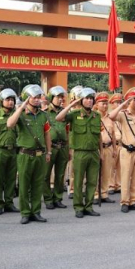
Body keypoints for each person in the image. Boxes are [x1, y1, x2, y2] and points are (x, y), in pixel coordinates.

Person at [6, 85, 52, 224]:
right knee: (24, 185)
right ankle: (25, 212)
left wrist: (48, 151)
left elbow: (47, 134)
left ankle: (36, 212)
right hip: (25, 155)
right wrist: (21, 107)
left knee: (38, 184)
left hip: (40, 155)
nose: (38, 100)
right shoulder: (21, 114)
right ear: (27, 98)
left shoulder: (43, 115)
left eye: (39, 97)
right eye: (34, 97)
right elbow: (9, 124)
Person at [56, 88, 102, 218]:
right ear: (81, 100)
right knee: (78, 181)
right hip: (80, 153)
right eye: (86, 98)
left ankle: (89, 206)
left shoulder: (96, 116)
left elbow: (98, 136)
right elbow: (59, 118)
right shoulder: (74, 114)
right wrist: (71, 104)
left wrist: (101, 152)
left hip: (94, 153)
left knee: (92, 181)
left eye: (91, 98)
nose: (89, 101)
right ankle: (78, 207)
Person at [108, 87, 135, 213]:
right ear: (128, 101)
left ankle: (134, 201)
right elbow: (112, 116)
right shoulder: (123, 114)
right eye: (134, 99)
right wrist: (123, 104)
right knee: (125, 177)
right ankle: (124, 202)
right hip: (127, 151)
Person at [44, 86, 70, 209]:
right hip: (51, 147)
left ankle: (58, 198)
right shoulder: (44, 113)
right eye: (58, 97)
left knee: (60, 175)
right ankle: (48, 198)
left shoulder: (65, 113)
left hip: (63, 147)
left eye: (62, 97)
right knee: (46, 174)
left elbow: (68, 131)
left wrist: (69, 149)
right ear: (51, 98)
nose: (61, 99)